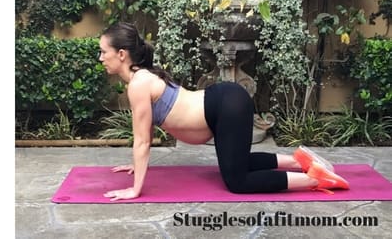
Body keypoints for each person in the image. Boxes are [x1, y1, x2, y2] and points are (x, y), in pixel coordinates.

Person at [98, 22, 348, 201]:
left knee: (237, 182)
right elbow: (145, 132)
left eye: (103, 52)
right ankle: (298, 161)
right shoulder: (142, 77)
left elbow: (142, 141)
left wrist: (135, 189)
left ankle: (314, 179)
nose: (100, 57)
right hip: (224, 101)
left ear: (121, 54)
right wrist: (135, 165)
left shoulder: (139, 84)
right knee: (236, 163)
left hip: (225, 107)